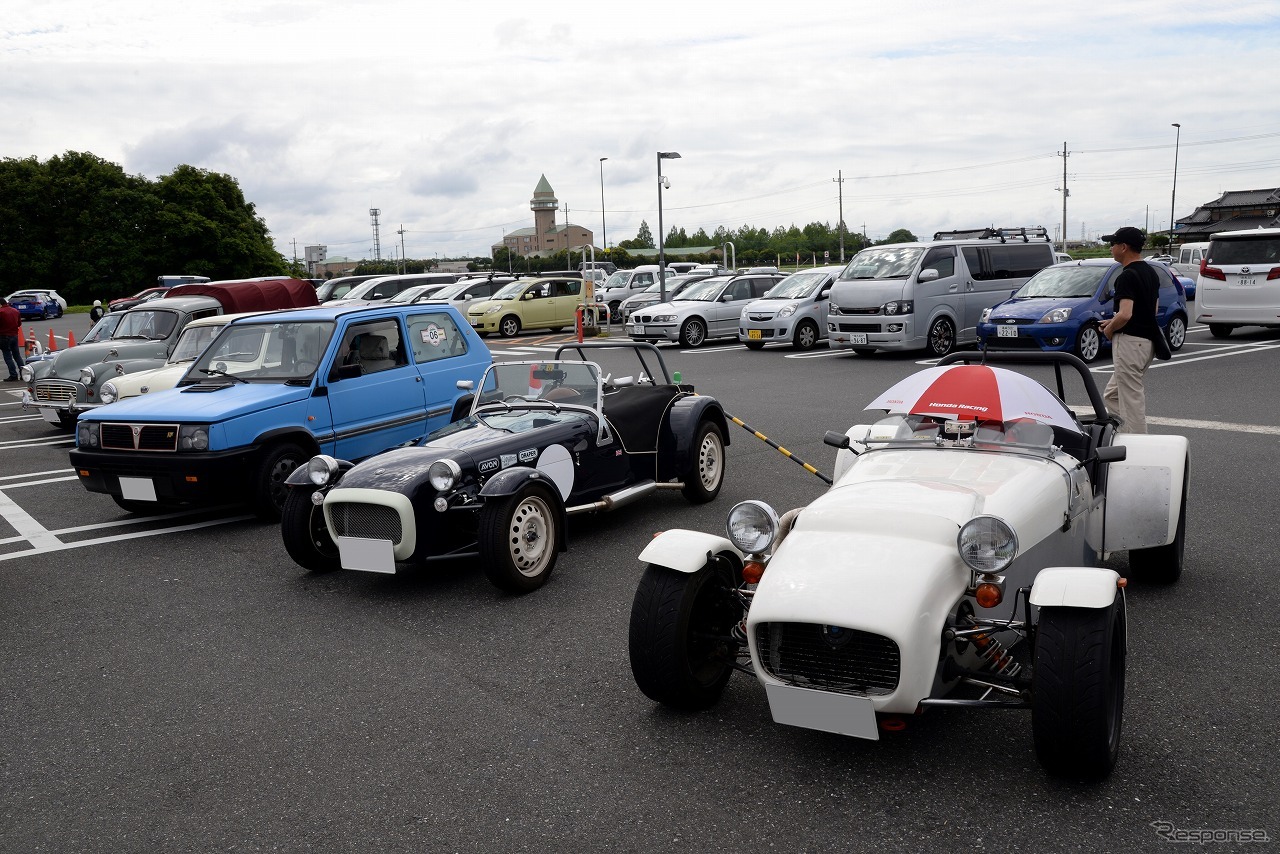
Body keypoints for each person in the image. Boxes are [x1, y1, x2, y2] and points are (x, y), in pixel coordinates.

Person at [1099, 226, 1160, 433]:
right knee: (1112, 394)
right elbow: (1153, 308)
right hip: (1146, 343)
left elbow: (1125, 314)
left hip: (1130, 343)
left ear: (1123, 247)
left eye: (1112, 244)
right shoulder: (1151, 272)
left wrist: (1110, 329)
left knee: (1132, 399)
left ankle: (1137, 445)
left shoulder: (1126, 276)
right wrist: (1113, 322)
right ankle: (1124, 433)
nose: (1110, 249)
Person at [0, 298, 24, 381]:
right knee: (17, 356)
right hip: (14, 335)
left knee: (8, 356)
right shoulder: (15, 311)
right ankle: (23, 374)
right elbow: (19, 323)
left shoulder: (1, 312)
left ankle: (13, 375)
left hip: (3, 336)